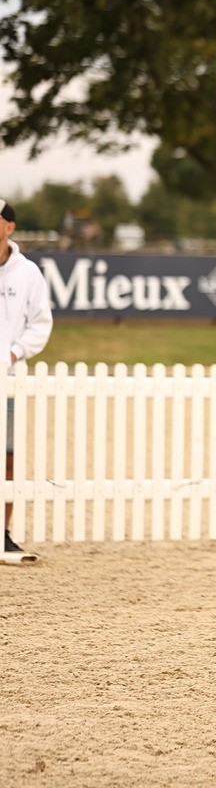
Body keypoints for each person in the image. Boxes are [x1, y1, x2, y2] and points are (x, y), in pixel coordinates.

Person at [0, 200, 53, 553]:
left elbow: (40, 324)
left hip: (8, 378)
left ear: (9, 227)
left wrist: (13, 353)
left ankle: (1, 532)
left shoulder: (28, 273)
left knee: (8, 456)